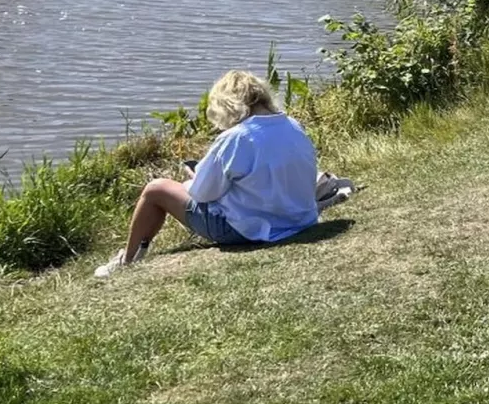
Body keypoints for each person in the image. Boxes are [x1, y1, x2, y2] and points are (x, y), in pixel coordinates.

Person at [94, 70, 320, 278]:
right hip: (300, 220)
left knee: (156, 189)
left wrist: (193, 177)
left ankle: (127, 260)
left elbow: (203, 194)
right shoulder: (292, 125)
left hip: (251, 230)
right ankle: (131, 255)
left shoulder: (238, 137)